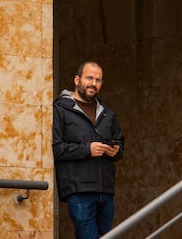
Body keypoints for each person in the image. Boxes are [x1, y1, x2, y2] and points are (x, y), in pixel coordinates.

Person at [53, 61, 125, 239]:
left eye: (98, 80)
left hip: (106, 190)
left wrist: (116, 151)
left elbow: (120, 143)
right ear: (77, 80)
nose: (94, 83)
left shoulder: (108, 114)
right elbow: (56, 149)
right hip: (79, 190)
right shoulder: (59, 110)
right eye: (89, 78)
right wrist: (87, 149)